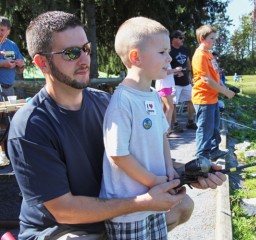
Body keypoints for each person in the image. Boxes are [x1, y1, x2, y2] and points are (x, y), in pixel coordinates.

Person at [7, 11, 226, 239]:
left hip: (108, 214)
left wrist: (189, 174)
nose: (84, 60)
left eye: (86, 49)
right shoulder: (30, 128)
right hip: (65, 229)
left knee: (183, 205)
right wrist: (142, 202)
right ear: (42, 62)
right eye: (71, 53)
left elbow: (139, 156)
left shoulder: (104, 102)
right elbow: (64, 211)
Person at [100, 16, 183, 239]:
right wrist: (153, 181)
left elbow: (162, 135)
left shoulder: (153, 96)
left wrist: (168, 169)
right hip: (129, 208)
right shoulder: (122, 101)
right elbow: (118, 154)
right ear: (136, 57)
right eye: (162, 52)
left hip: (155, 200)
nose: (169, 58)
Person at [191, 25, 235, 161]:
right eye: (211, 38)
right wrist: (226, 93)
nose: (214, 41)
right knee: (205, 130)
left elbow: (215, 75)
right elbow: (206, 80)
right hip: (203, 99)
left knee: (215, 128)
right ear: (201, 39)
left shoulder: (209, 54)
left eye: (215, 38)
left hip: (213, 99)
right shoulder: (200, 55)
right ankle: (201, 157)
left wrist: (227, 88)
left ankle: (214, 151)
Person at [170, 30, 197, 132]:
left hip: (185, 81)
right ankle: (175, 124)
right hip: (174, 82)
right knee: (173, 103)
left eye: (183, 38)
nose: (183, 40)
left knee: (192, 99)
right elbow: (165, 67)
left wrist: (190, 75)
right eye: (181, 38)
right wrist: (174, 72)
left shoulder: (185, 49)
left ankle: (190, 121)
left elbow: (188, 62)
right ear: (174, 38)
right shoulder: (169, 51)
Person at [0, 16, 25, 100]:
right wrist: (3, 63)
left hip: (8, 89)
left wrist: (21, 65)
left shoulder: (12, 45)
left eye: (2, 30)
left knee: (9, 112)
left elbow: (20, 70)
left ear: (8, 31)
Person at [155, 64, 183, 138]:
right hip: (164, 86)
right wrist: (176, 69)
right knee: (170, 107)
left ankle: (162, 130)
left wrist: (175, 73)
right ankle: (168, 131)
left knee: (164, 109)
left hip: (167, 86)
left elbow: (168, 72)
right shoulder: (162, 59)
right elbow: (164, 72)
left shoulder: (165, 58)